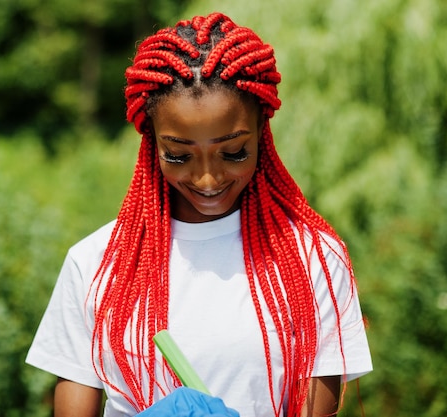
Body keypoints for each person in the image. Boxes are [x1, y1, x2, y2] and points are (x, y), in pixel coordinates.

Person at [26, 11, 372, 417]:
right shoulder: (96, 264)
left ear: (262, 130)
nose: (208, 178)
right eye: (178, 154)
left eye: (233, 152)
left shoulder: (314, 259)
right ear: (151, 142)